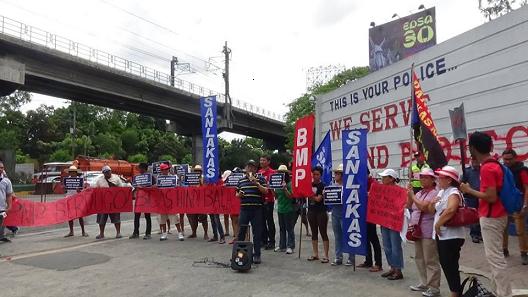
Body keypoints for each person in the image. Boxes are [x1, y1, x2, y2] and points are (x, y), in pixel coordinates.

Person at [460, 132, 512, 297]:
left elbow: (491, 197)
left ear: (473, 148)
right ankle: (498, 291)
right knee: (494, 258)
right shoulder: (494, 164)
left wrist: (469, 190)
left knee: (495, 259)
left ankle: (504, 293)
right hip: (499, 215)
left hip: (491, 217)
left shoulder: (488, 168)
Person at [407, 168, 442, 297]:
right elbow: (409, 205)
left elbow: (423, 207)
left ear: (433, 179)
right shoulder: (420, 192)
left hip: (427, 230)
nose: (422, 179)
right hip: (417, 229)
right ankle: (424, 281)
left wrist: (412, 197)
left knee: (430, 259)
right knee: (419, 257)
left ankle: (434, 287)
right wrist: (409, 194)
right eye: (421, 177)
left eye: (426, 177)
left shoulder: (435, 193)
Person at [236, 159, 267, 264]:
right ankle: (240, 255)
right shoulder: (241, 180)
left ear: (255, 168)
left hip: (256, 209)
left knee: (257, 233)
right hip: (244, 209)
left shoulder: (261, 178)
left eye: (253, 167)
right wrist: (239, 195)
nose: (250, 168)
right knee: (241, 233)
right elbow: (236, 194)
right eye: (248, 167)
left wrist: (257, 183)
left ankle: (257, 255)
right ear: (245, 168)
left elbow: (266, 191)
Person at [501, 149, 528, 264]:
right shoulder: (502, 170)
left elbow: (527, 188)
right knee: (503, 229)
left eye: (509, 159)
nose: (507, 161)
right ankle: (504, 250)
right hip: (505, 204)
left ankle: (524, 253)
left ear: (515, 158)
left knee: (520, 230)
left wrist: (525, 205)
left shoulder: (522, 171)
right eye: (505, 159)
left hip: (518, 204)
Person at [379, 169, 404, 280]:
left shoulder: (399, 191)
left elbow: (402, 205)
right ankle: (392, 267)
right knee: (387, 246)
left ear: (392, 178)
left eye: (385, 177)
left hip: (394, 222)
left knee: (395, 246)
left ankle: (398, 270)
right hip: (384, 221)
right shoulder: (381, 190)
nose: (382, 179)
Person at [358, 169, 383, 272]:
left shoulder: (374, 183)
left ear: (368, 174)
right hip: (362, 214)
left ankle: (378, 263)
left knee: (373, 239)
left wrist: (368, 194)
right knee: (365, 238)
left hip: (371, 215)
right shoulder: (360, 183)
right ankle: (368, 261)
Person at [329, 164, 353, 266]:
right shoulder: (332, 186)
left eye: (337, 173)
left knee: (347, 236)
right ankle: (338, 257)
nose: (335, 175)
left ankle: (351, 258)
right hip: (335, 213)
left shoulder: (348, 187)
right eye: (335, 173)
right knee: (337, 236)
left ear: (343, 175)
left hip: (346, 214)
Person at [95, 165, 125, 239]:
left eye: (108, 171)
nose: (107, 173)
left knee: (116, 218)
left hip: (114, 202)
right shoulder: (99, 180)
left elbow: (122, 189)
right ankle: (101, 233)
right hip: (103, 202)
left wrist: (114, 187)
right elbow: (96, 190)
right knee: (101, 219)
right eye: (105, 172)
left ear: (111, 171)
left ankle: (118, 233)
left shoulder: (116, 178)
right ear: (103, 173)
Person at [307, 166, 330, 263]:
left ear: (321, 175)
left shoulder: (322, 185)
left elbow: (318, 199)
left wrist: (308, 193)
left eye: (317, 174)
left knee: (323, 232)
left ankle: (326, 255)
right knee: (314, 233)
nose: (315, 176)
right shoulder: (309, 184)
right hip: (311, 210)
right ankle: (315, 254)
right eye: (314, 174)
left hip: (321, 211)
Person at [157, 163, 184, 241]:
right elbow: (156, 188)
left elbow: (178, 186)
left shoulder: (173, 177)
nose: (166, 170)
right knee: (162, 219)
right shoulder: (159, 178)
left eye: (167, 169)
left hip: (171, 202)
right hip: (162, 202)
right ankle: (164, 234)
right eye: (164, 169)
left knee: (175, 218)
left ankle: (180, 233)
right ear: (161, 170)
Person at [274, 165, 295, 254]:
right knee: (282, 228)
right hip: (280, 209)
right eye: (279, 173)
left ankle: (290, 246)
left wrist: (285, 188)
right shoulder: (278, 184)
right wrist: (272, 188)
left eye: (282, 173)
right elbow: (276, 196)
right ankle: (282, 245)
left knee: (289, 228)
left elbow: (290, 196)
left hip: (289, 209)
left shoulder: (290, 184)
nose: (280, 174)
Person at [461, 157, 482, 243]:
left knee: (481, 216)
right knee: (473, 216)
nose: (475, 162)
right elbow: (462, 182)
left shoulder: (482, 170)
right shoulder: (467, 171)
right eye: (473, 160)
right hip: (471, 196)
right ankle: (474, 235)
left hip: (481, 196)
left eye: (476, 160)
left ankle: (480, 234)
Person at [130, 163, 153, 240]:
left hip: (147, 198)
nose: (139, 170)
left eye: (140, 168)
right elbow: (134, 185)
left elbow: (154, 186)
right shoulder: (137, 177)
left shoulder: (150, 177)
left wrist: (144, 188)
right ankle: (135, 233)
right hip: (139, 198)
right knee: (137, 216)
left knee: (147, 216)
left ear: (144, 168)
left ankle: (148, 233)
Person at [63, 166, 88, 238]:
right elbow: (65, 191)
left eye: (73, 172)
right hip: (69, 198)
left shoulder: (80, 180)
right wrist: (64, 188)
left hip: (77, 199)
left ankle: (83, 231)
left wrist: (79, 190)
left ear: (76, 172)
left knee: (80, 215)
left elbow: (82, 190)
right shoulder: (67, 180)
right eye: (70, 172)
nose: (71, 173)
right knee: (70, 216)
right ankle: (71, 231)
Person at [259, 155, 276, 250]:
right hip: (260, 200)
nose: (261, 162)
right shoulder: (259, 172)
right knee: (261, 221)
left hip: (269, 200)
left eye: (263, 160)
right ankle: (263, 240)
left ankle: (272, 241)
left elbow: (275, 187)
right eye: (260, 160)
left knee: (269, 221)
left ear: (268, 162)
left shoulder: (272, 173)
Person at [187, 165, 209, 240]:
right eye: (195, 171)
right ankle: (194, 232)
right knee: (193, 218)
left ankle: (206, 233)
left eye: (198, 171)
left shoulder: (204, 178)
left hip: (201, 201)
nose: (197, 172)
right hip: (192, 201)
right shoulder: (190, 178)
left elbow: (206, 188)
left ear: (201, 171)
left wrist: (200, 182)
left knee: (203, 218)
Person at [0, 161, 13, 243]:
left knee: (1, 225)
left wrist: (9, 206)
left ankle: (1, 236)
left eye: (2, 167)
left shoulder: (6, 181)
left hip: (2, 208)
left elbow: (9, 195)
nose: (0, 169)